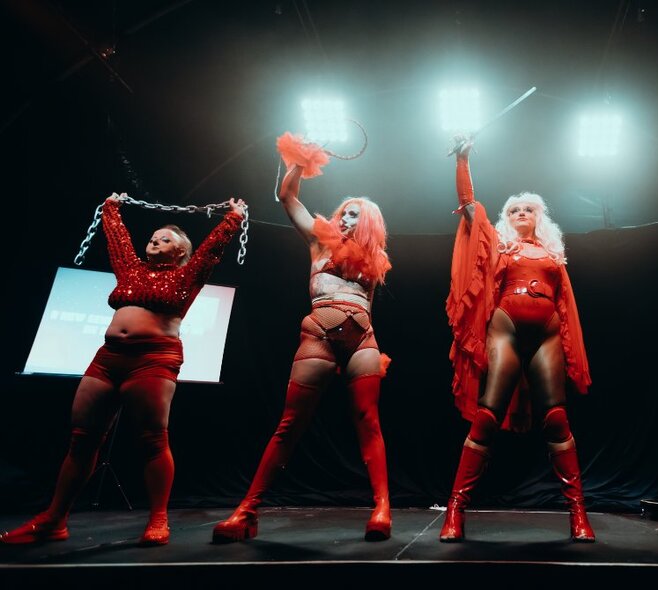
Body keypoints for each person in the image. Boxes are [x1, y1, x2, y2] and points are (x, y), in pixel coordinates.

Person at [1, 194, 246, 547]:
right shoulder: (130, 270)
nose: (155, 241)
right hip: (109, 356)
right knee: (82, 440)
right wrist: (111, 207)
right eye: (153, 237)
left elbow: (210, 250)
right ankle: (55, 520)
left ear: (180, 252)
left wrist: (232, 218)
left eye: (166, 239)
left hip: (154, 358)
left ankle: (158, 520)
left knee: (152, 439)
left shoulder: (188, 275)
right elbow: (117, 238)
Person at [212, 133, 393, 543]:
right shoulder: (318, 239)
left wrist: (376, 349)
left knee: (369, 421)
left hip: (363, 337)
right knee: (290, 423)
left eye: (355, 215)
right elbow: (287, 196)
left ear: (368, 223)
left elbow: (368, 303)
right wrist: (303, 158)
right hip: (319, 334)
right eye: (344, 212)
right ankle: (247, 511)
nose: (346, 219)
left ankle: (382, 507)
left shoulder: (375, 261)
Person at [440, 138, 593, 542]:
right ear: (507, 218)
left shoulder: (553, 254)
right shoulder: (497, 245)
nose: (521, 212)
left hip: (546, 333)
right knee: (487, 415)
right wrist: (463, 158)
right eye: (514, 209)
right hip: (506, 328)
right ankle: (454, 511)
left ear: (539, 217)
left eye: (528, 208)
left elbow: (564, 303)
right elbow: (470, 206)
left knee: (557, 417)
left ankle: (579, 515)